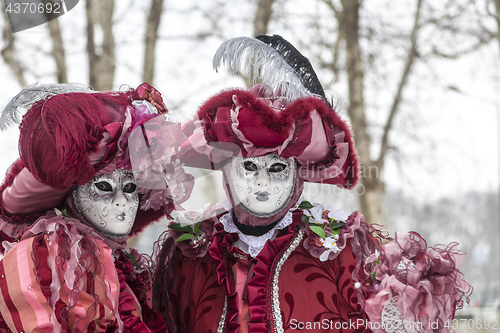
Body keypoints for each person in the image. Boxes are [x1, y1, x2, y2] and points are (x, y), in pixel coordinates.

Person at [152, 35, 471, 333]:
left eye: (277, 168)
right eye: (249, 167)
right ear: (226, 169)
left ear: (298, 172)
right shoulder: (193, 249)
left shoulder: (336, 247)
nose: (262, 180)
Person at [0, 82, 193, 332]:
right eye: (104, 187)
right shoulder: (45, 257)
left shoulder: (119, 262)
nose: (121, 200)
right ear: (71, 194)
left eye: (131, 188)